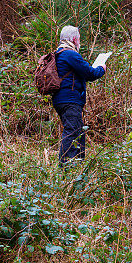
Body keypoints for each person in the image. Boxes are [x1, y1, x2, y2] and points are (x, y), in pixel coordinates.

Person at [51, 26, 106, 167]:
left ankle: (77, 164)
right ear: (74, 39)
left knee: (77, 130)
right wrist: (101, 69)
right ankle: (66, 166)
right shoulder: (70, 54)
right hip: (70, 100)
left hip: (61, 99)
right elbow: (90, 73)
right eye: (79, 38)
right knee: (72, 130)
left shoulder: (58, 53)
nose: (79, 41)